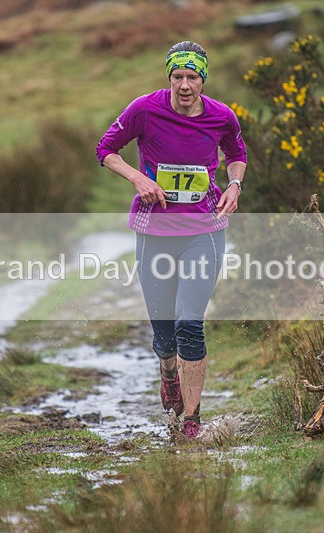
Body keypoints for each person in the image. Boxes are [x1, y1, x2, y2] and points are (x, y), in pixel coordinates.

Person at [95, 41, 247, 439]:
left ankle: (192, 421)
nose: (184, 85)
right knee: (164, 334)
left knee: (189, 324)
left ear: (202, 80)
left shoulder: (221, 115)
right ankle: (168, 375)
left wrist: (234, 184)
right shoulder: (144, 109)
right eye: (177, 77)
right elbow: (106, 149)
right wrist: (139, 178)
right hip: (155, 235)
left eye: (192, 77)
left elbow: (236, 151)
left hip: (204, 232)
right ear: (169, 78)